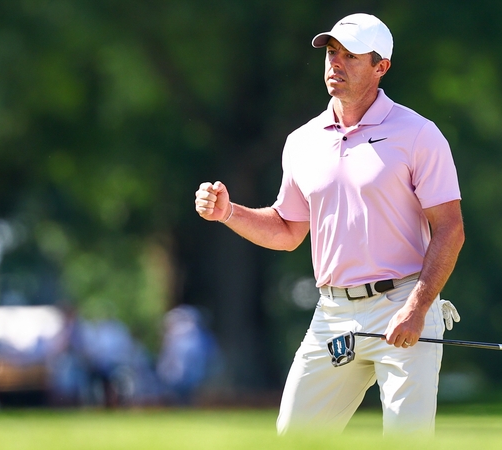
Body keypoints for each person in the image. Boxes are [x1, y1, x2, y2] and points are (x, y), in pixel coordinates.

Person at [195, 13, 464, 435]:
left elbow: (450, 228)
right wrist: (229, 212)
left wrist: (417, 309)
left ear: (381, 67)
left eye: (351, 56)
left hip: (404, 303)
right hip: (333, 313)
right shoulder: (303, 141)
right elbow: (287, 231)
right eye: (332, 53)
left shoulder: (418, 134)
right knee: (295, 438)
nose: (335, 63)